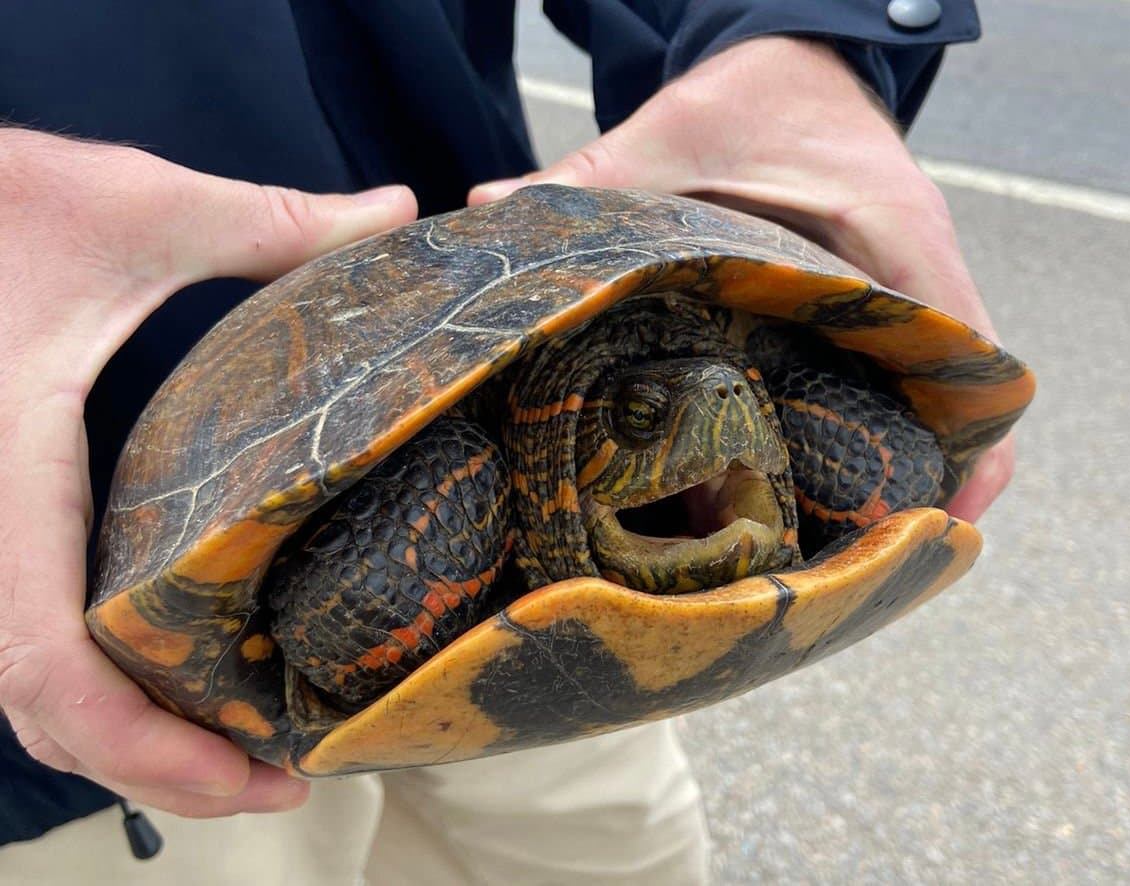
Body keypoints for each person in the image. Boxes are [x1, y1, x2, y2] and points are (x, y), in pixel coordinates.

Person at [0, 2, 1009, 883]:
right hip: (69, 580)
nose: (731, 422)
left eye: (742, 409)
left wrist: (788, 26)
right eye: (646, 423)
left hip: (582, 675)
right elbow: (333, 624)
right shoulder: (474, 493)